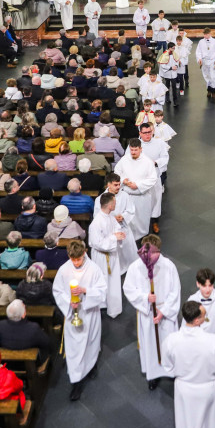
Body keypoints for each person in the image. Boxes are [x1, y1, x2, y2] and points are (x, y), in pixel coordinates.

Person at [161, 300, 215, 428]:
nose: (205, 318)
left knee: (187, 425)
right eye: (203, 316)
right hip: (209, 388)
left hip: (184, 389)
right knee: (212, 425)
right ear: (196, 321)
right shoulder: (213, 340)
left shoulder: (170, 341)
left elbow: (167, 366)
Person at [123, 234, 181, 389]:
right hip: (147, 312)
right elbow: (128, 288)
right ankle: (153, 374)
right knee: (151, 344)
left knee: (168, 343)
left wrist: (163, 311)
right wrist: (146, 298)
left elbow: (175, 292)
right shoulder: (136, 267)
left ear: (159, 252)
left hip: (165, 312)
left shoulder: (168, 266)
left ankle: (171, 370)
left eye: (152, 253)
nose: (148, 257)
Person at [52, 240, 107, 400]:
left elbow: (102, 291)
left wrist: (85, 290)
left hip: (89, 313)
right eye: (73, 259)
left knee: (91, 341)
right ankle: (76, 381)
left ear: (84, 253)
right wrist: (69, 302)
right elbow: (57, 291)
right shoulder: (64, 270)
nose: (76, 263)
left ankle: (91, 366)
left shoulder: (94, 269)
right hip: (72, 313)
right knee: (74, 346)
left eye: (79, 259)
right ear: (69, 256)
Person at [88, 192, 137, 318]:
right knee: (104, 280)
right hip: (102, 256)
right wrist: (114, 237)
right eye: (115, 203)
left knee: (113, 281)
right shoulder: (96, 223)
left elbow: (116, 227)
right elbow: (97, 243)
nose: (116, 204)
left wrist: (119, 234)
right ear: (110, 206)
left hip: (111, 253)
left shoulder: (109, 216)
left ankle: (112, 305)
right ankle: (103, 304)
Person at [114, 138, 158, 239]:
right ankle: (128, 238)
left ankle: (142, 238)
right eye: (131, 150)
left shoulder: (147, 162)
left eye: (135, 150)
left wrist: (137, 185)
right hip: (126, 195)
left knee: (141, 220)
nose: (133, 152)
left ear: (141, 149)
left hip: (141, 197)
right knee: (127, 220)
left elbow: (152, 179)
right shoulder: (125, 159)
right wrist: (122, 180)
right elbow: (117, 171)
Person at [196, 28, 215, 101]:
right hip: (204, 61)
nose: (205, 36)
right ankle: (209, 90)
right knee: (207, 76)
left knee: (213, 76)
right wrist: (199, 59)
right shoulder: (201, 42)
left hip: (212, 61)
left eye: (207, 34)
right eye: (204, 34)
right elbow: (198, 51)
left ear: (210, 34)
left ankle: (213, 92)